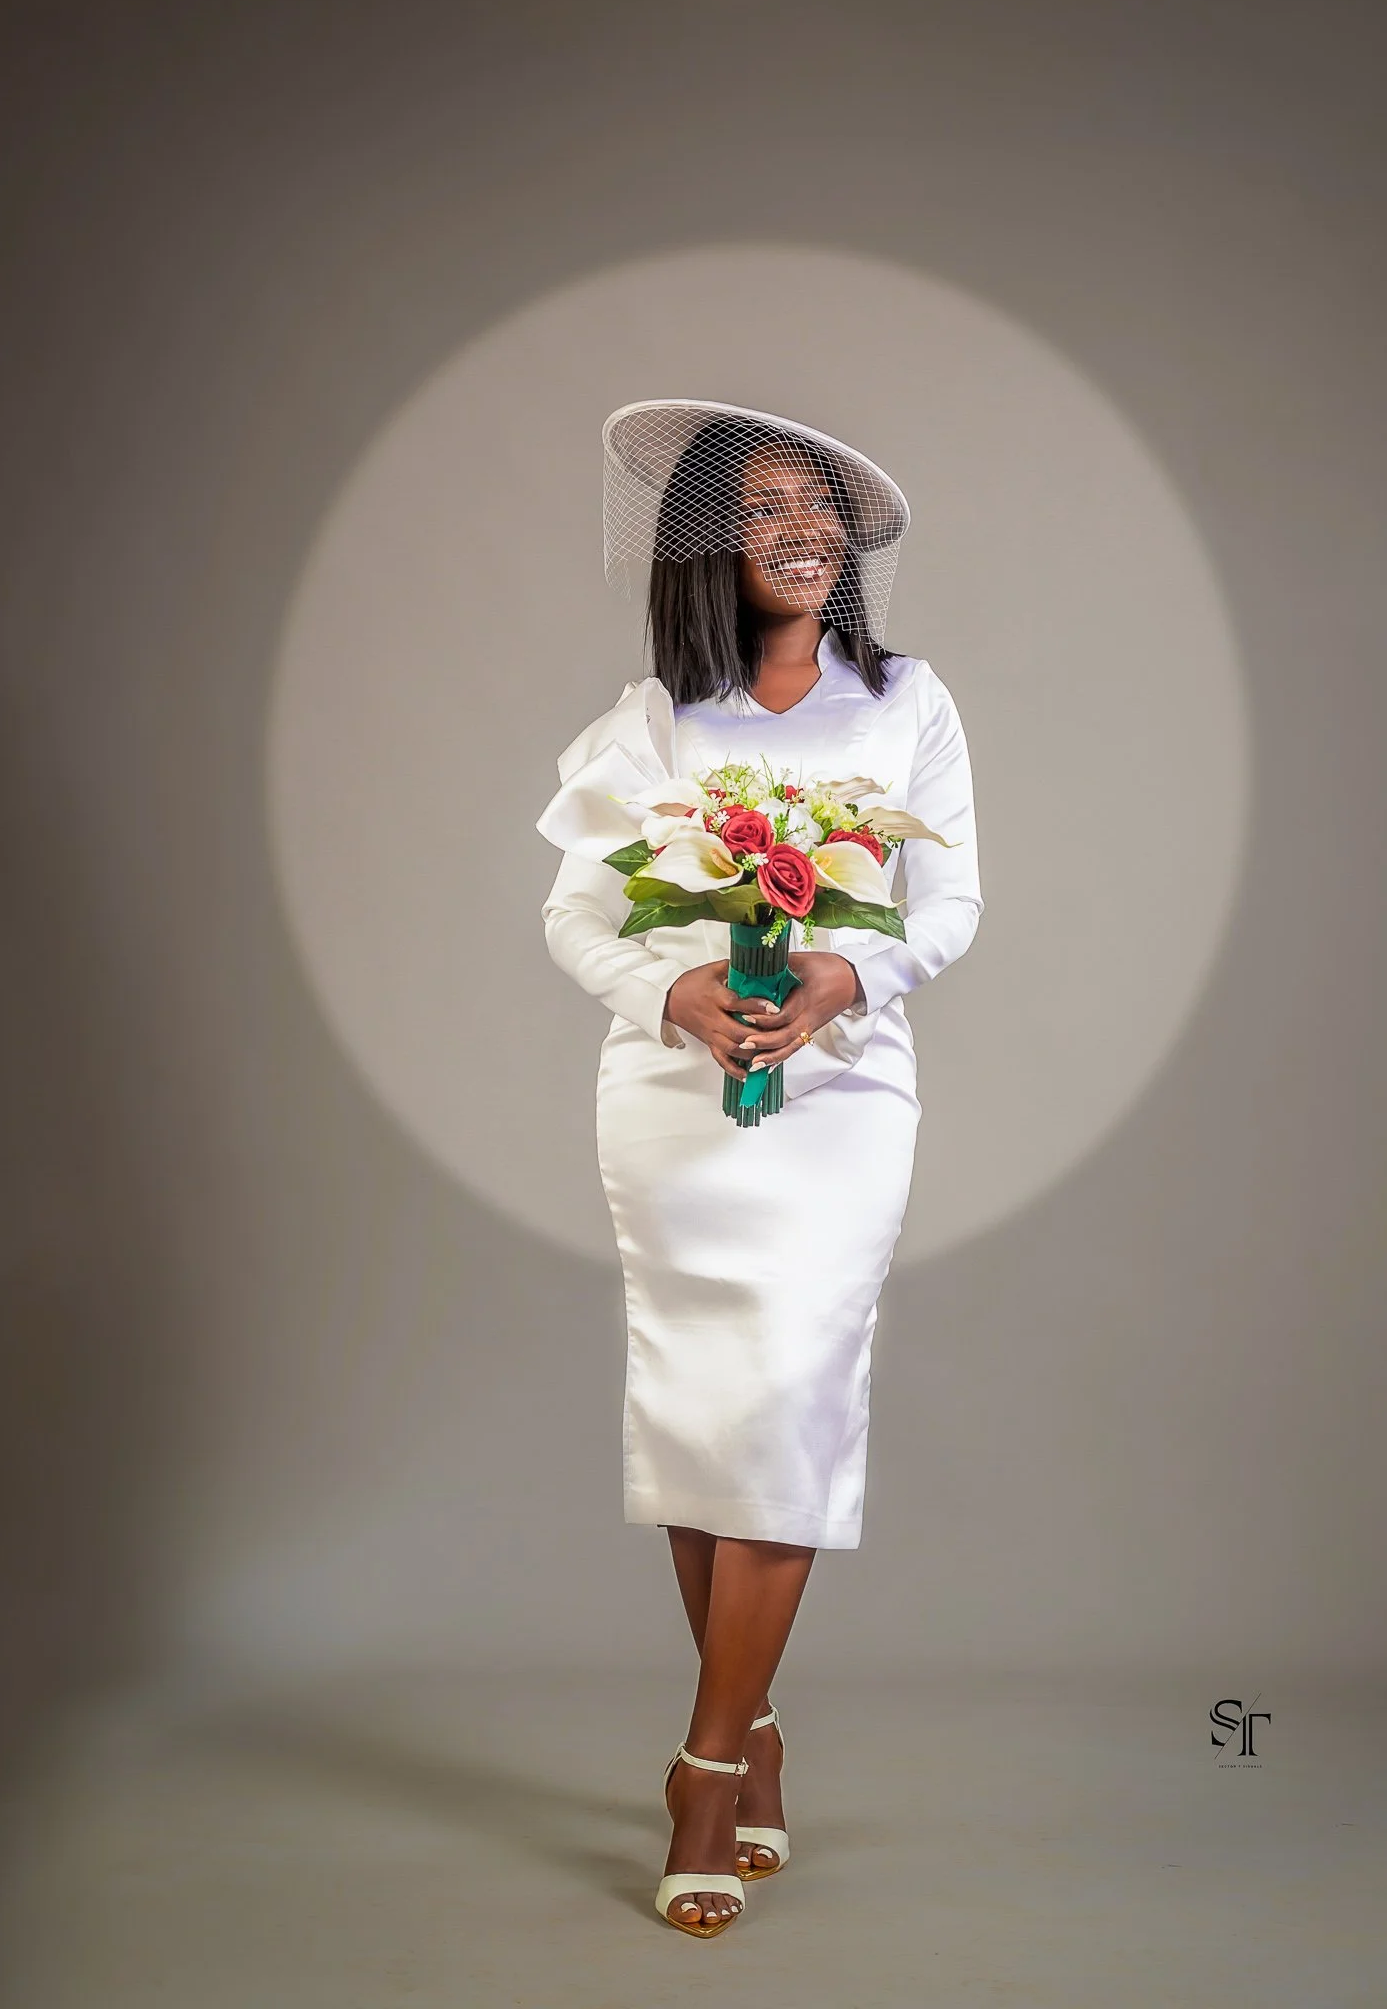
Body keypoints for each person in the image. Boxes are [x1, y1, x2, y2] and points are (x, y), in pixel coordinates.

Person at [536, 402, 984, 1937]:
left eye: (818, 506)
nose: (798, 527)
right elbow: (577, 919)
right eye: (763, 506)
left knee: (790, 1396)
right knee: (702, 1407)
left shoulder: (905, 701)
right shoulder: (652, 718)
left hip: (842, 1096)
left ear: (846, 543)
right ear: (708, 545)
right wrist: (668, 992)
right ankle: (760, 1729)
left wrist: (839, 987)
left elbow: (948, 906)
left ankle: (706, 1768)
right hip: (673, 1103)